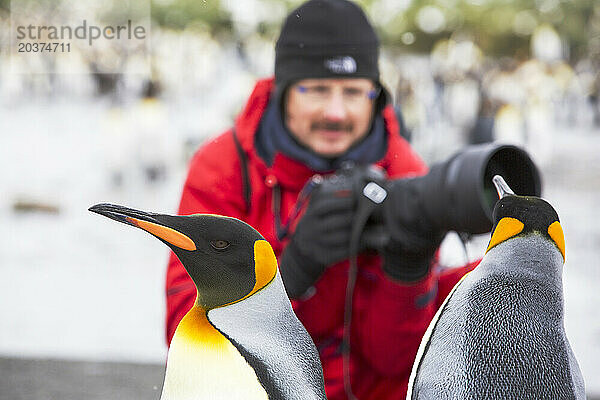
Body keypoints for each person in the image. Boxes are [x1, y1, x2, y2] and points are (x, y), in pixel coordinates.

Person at [165, 1, 477, 399]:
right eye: (316, 89)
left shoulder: (403, 173)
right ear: (283, 90)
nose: (335, 111)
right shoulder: (226, 168)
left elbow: (395, 362)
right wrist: (289, 272)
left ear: (376, 95)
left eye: (353, 91)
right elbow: (183, 329)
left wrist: (407, 268)